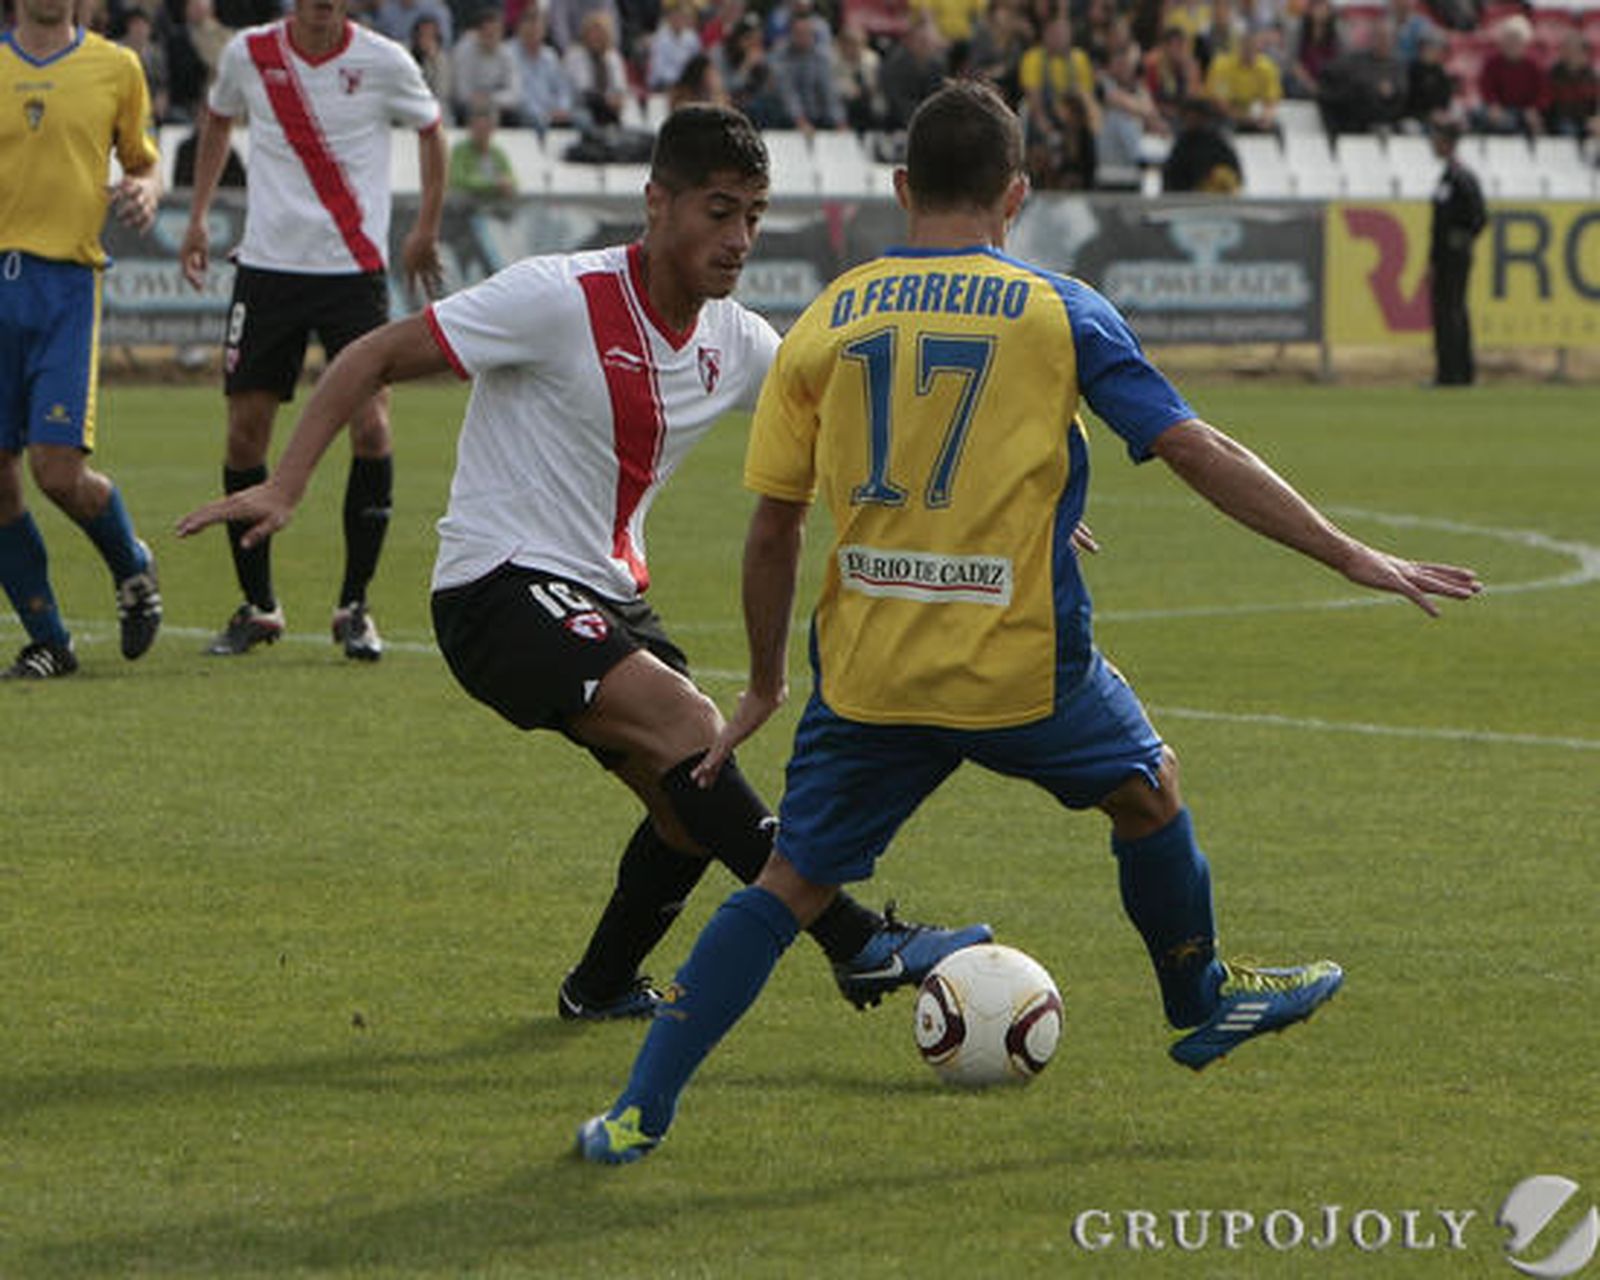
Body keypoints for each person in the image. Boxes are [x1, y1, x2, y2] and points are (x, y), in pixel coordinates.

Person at [577, 80, 1483, 1164]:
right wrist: (1349, 553)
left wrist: (768, 681)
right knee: (1147, 787)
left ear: (902, 187)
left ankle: (636, 1110)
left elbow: (775, 526)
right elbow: (1193, 447)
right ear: (1018, 194)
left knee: (789, 885)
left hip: (869, 673)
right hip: (1021, 666)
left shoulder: (827, 320)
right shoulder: (1058, 309)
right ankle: (1200, 998)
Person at [176, 105, 991, 1027]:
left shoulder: (738, 341)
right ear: (657, 203)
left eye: (754, 216)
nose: (739, 239)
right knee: (693, 728)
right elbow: (374, 353)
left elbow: (875, 426)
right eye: (719, 211)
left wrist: (989, 507)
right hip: (495, 586)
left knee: (691, 810)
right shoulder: (557, 297)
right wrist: (287, 483)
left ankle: (599, 986)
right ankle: (859, 944)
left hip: (603, 595)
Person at [178, 0, 448, 661]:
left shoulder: (384, 61)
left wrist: (425, 228)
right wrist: (199, 215)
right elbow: (217, 119)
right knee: (245, 432)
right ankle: (259, 606)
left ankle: (354, 607)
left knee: (373, 427)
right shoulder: (249, 53)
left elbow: (432, 130)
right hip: (267, 270)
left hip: (352, 272)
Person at [1, 0, 164, 680]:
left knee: (57, 471)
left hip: (65, 287)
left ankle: (131, 565)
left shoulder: (115, 67)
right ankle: (49, 641)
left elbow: (143, 162)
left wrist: (146, 190)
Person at [1427, 119, 1486, 388]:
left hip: (1455, 254)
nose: (1433, 145)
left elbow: (1479, 217)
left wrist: (1460, 240)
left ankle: (1455, 373)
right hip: (1444, 255)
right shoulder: (1448, 177)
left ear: (1447, 143)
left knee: (1451, 311)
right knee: (1448, 311)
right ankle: (1452, 371)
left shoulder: (1461, 178)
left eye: (1437, 140)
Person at [449, 101, 518, 201]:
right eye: (478, 128)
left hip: (494, 203)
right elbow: (458, 180)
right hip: (468, 203)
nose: (482, 133)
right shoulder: (460, 151)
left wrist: (507, 183)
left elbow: (513, 179)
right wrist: (493, 184)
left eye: (486, 128)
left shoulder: (497, 153)